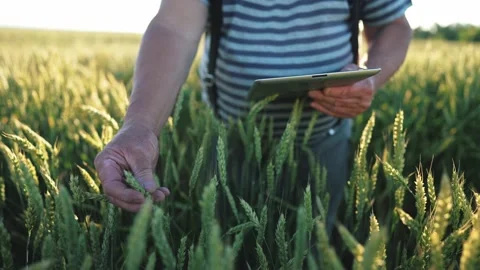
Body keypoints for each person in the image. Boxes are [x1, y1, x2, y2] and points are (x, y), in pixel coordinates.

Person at [94, 0, 412, 233]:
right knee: (228, 241)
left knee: (314, 243)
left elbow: (392, 25)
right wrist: (140, 126)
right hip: (228, 147)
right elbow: (174, 26)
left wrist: (371, 78)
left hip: (324, 144)